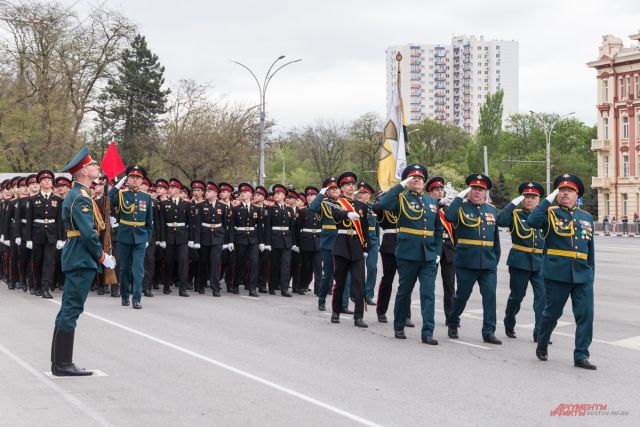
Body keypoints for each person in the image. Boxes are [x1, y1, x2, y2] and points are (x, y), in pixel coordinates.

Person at [50, 145, 116, 376]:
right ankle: (63, 364)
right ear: (84, 171)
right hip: (81, 256)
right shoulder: (81, 197)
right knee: (72, 308)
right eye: (93, 164)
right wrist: (102, 256)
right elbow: (88, 233)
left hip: (77, 255)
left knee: (69, 308)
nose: (97, 167)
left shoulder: (80, 194)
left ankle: (59, 362)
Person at [527, 173, 597, 370]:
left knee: (586, 315)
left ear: (577, 195)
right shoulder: (549, 213)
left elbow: (590, 250)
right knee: (551, 314)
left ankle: (581, 355)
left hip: (583, 274)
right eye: (561, 190)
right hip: (557, 273)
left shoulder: (586, 217)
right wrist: (547, 200)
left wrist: (592, 274)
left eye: (570, 191)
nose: (565, 194)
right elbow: (532, 221)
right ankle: (542, 341)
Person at [378, 165, 442, 344]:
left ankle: (427, 332)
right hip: (407, 254)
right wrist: (400, 185)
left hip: (428, 256)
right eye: (413, 178)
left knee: (428, 293)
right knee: (404, 292)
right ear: (407, 181)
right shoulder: (400, 198)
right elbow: (382, 204)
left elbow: (438, 228)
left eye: (420, 178)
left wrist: (437, 251)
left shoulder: (432, 201)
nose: (417, 180)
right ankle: (399, 326)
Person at [444, 173, 502, 344]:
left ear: (485, 192)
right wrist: (458, 198)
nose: (477, 192)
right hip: (466, 261)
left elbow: (495, 239)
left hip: (488, 263)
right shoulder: (461, 208)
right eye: (474, 189)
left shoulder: (491, 210)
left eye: (481, 189)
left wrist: (495, 260)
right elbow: (448, 216)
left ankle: (489, 331)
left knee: (490, 296)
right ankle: (453, 322)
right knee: (462, 295)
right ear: (469, 190)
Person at [496, 181, 547, 342]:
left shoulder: (544, 216)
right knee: (517, 296)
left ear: (539, 199)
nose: (529, 200)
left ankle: (540, 331)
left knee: (542, 298)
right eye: (526, 197)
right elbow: (501, 221)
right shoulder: (515, 215)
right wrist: (512, 204)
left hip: (540, 261)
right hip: (520, 261)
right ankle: (509, 320)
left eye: (533, 197)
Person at [326, 171, 370, 327]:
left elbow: (365, 228)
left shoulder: (361, 206)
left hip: (357, 245)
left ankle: (359, 317)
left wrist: (366, 247)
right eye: (347, 184)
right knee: (340, 282)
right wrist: (347, 214)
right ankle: (336, 312)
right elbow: (336, 214)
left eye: (353, 184)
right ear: (342, 188)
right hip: (342, 245)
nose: (351, 186)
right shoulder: (336, 202)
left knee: (359, 283)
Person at [109, 166, 153, 309]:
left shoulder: (146, 197)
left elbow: (149, 221)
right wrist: (117, 186)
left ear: (142, 181)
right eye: (132, 177)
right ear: (128, 179)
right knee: (124, 269)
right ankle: (124, 296)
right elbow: (107, 199)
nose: (135, 180)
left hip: (140, 237)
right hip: (125, 235)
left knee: (138, 269)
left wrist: (148, 238)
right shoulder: (121, 195)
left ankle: (137, 298)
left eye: (138, 178)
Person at [25, 170, 64, 299]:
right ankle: (36, 287)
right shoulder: (32, 200)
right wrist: (28, 239)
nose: (47, 182)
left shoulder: (58, 200)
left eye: (49, 180)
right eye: (44, 180)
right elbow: (29, 220)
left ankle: (45, 288)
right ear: (40, 183)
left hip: (52, 234)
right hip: (37, 233)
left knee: (48, 262)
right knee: (37, 261)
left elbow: (59, 221)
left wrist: (61, 238)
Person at [427, 176, 456, 320]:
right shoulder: (429, 206)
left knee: (450, 285)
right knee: (429, 284)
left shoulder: (448, 207)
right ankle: (428, 315)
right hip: (433, 247)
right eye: (436, 190)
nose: (439, 192)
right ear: (430, 193)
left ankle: (450, 316)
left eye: (441, 190)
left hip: (449, 248)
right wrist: (440, 203)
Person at [309, 177, 340, 311]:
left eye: (336, 188)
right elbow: (312, 207)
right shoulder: (323, 203)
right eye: (331, 188)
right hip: (328, 242)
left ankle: (342, 303)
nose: (334, 190)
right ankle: (322, 299)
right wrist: (321, 194)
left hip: (342, 241)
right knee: (328, 274)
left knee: (344, 274)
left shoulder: (344, 203)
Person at [193, 182, 228, 297]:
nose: (206, 193)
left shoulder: (222, 206)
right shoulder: (200, 205)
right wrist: (197, 241)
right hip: (205, 236)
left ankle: (215, 287)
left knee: (215, 262)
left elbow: (224, 223)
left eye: (209, 191)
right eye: (206, 191)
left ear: (215, 193)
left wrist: (225, 240)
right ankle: (201, 284)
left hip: (217, 237)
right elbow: (197, 225)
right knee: (203, 262)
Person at [229, 183, 263, 296]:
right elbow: (232, 227)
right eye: (241, 193)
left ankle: (252, 288)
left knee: (254, 262)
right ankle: (235, 284)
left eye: (245, 192)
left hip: (253, 239)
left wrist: (261, 242)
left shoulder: (256, 209)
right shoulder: (235, 209)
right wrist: (231, 241)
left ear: (250, 194)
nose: (242, 194)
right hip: (240, 238)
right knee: (239, 263)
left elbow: (259, 227)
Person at [159, 178, 190, 297]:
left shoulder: (186, 204)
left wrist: (191, 239)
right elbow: (161, 223)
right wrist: (161, 239)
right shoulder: (164, 204)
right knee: (168, 262)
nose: (169, 190)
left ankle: (183, 288)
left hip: (182, 236)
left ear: (178, 190)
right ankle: (167, 286)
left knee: (183, 262)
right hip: (168, 236)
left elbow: (190, 222)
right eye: (169, 188)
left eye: (172, 188)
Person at [263, 184, 296, 297]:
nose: (275, 195)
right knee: (274, 264)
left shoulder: (289, 209)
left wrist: (293, 243)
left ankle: (284, 288)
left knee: (286, 265)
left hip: (286, 239)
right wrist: (267, 243)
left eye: (278, 194)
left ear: (283, 195)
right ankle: (272, 286)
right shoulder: (270, 208)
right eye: (275, 194)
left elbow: (292, 228)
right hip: (274, 238)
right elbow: (267, 227)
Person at [296, 186, 322, 296]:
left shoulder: (322, 210)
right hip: (306, 241)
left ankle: (318, 289)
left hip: (319, 241)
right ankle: (302, 286)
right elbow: (298, 229)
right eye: (308, 196)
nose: (310, 198)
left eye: (312, 196)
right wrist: (296, 243)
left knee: (318, 267)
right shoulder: (303, 211)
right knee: (305, 266)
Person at [357, 182, 379, 306]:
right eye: (360, 192)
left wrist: (377, 242)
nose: (361, 194)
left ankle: (368, 294)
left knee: (372, 268)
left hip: (372, 240)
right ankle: (356, 292)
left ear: (369, 195)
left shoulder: (373, 208)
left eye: (364, 192)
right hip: (359, 238)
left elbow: (376, 226)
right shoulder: (355, 206)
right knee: (357, 269)